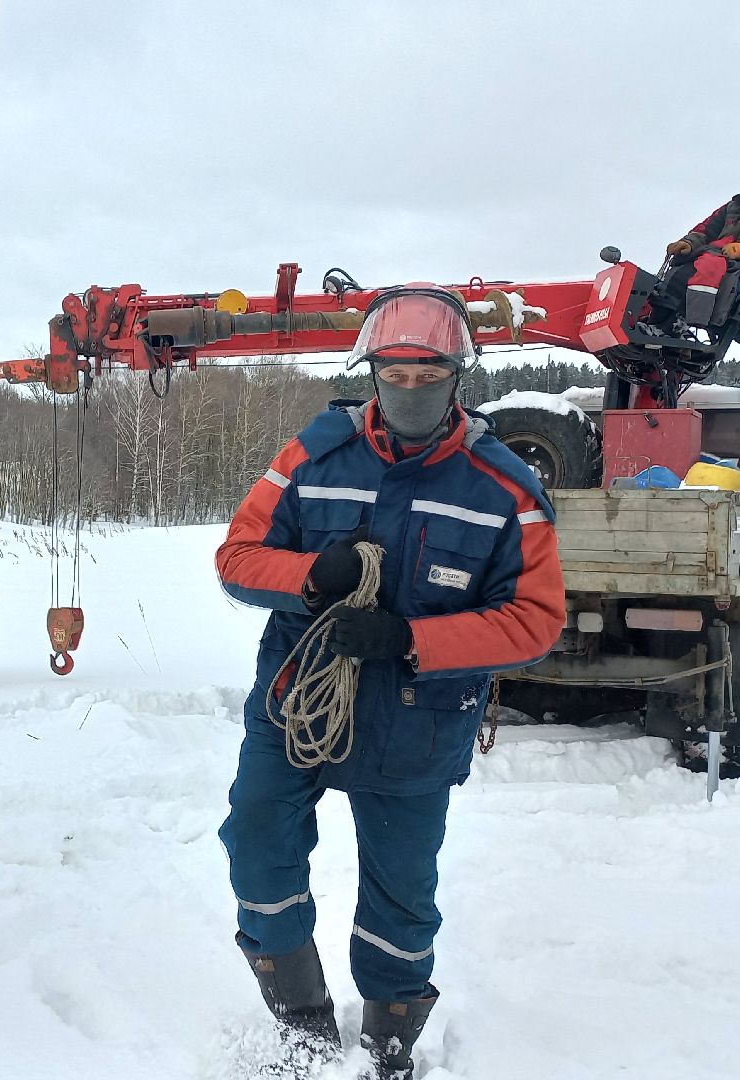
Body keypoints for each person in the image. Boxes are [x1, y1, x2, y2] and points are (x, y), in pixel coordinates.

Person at [214, 287, 565, 1078]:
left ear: (457, 378)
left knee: (402, 898)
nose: (409, 390)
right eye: (394, 374)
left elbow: (536, 621)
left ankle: (389, 1043)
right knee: (258, 849)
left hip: (418, 723)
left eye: (426, 376)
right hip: (296, 705)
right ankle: (301, 1023)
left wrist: (413, 638)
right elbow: (237, 559)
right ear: (372, 372)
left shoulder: (502, 488)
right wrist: (311, 576)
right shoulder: (312, 455)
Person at [655, 194, 740, 330]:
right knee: (682, 271)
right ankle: (658, 322)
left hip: (730, 267)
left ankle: (685, 322)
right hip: (713, 255)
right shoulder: (732, 207)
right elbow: (705, 231)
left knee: (707, 267)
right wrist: (688, 243)